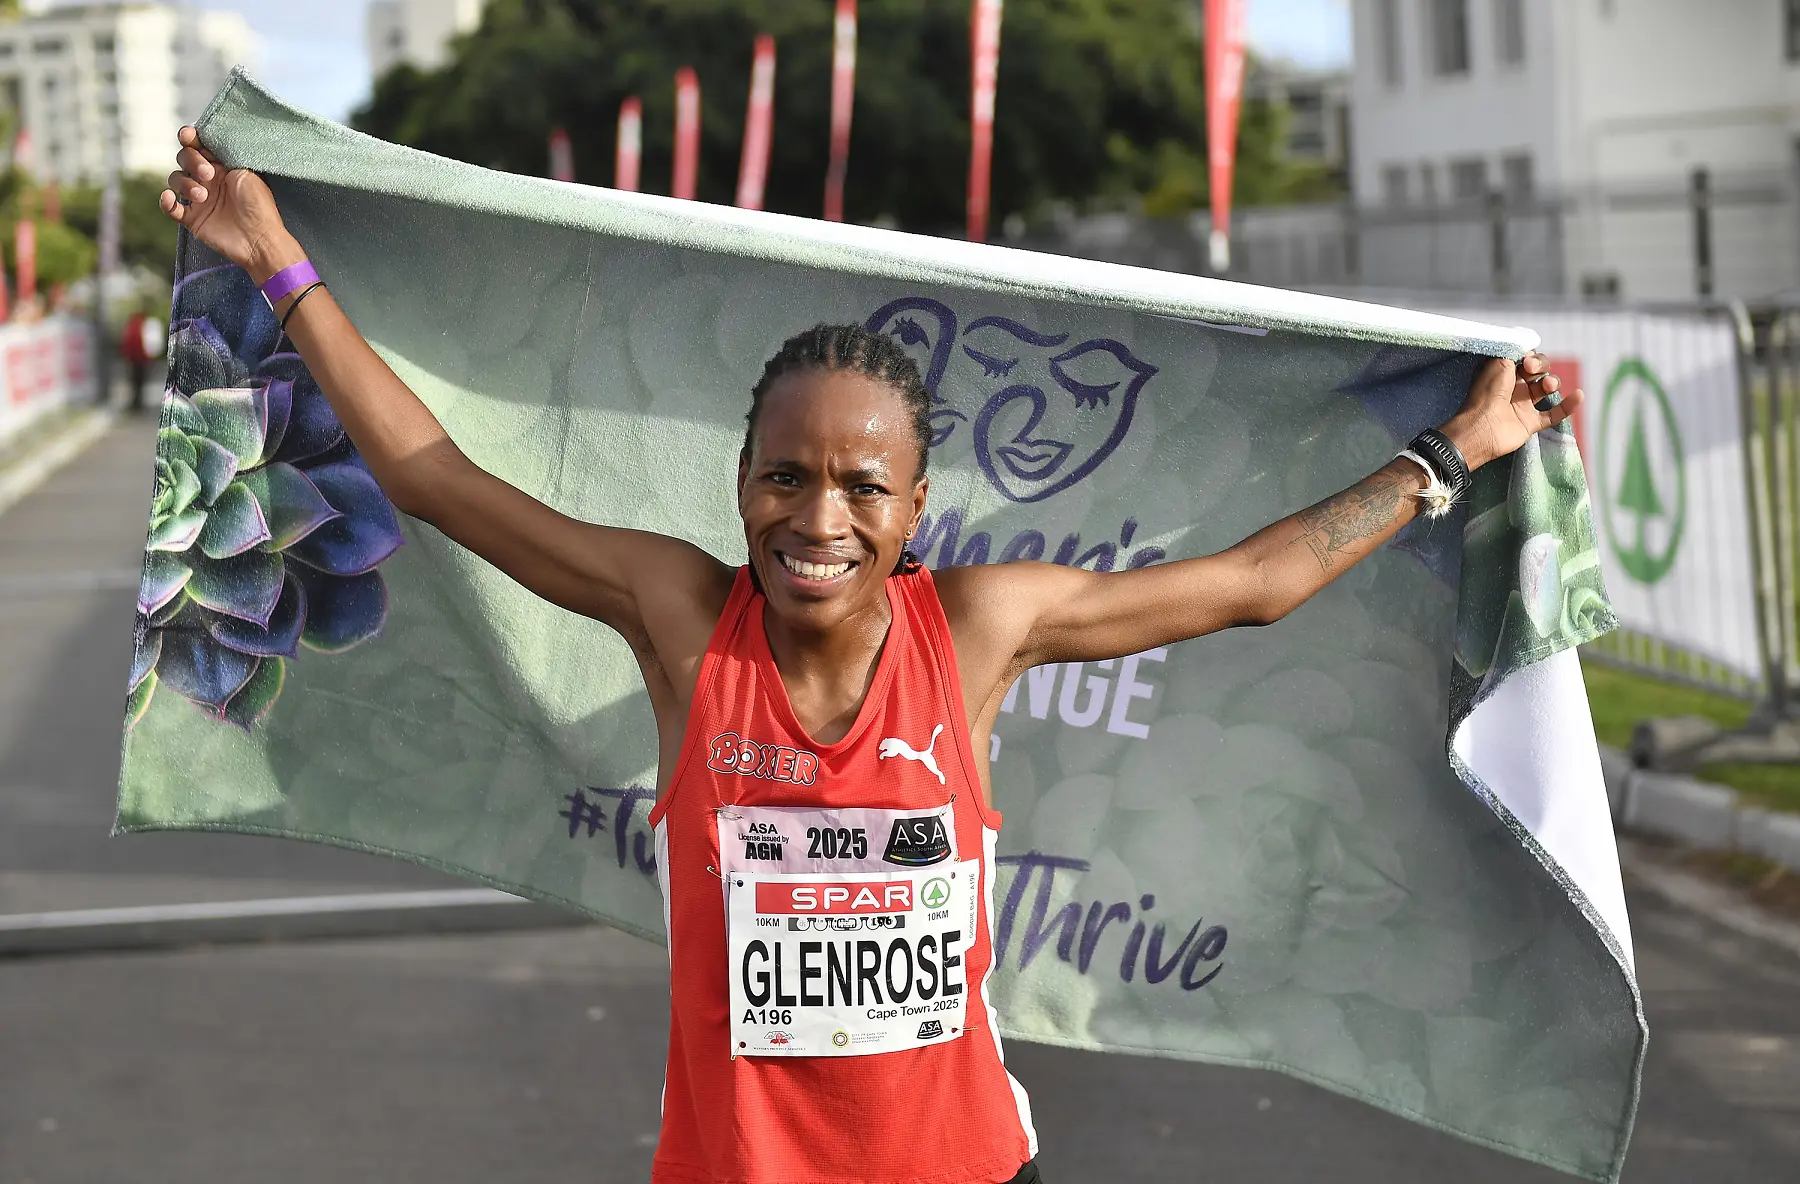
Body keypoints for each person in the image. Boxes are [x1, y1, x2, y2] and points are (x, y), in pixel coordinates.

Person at [159, 125, 1579, 1184]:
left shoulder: (976, 626)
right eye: (785, 477)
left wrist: (1454, 452)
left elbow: (1252, 585)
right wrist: (278, 261)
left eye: (859, 488)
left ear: (912, 510)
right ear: (741, 483)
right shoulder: (677, 613)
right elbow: (438, 479)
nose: (817, 518)